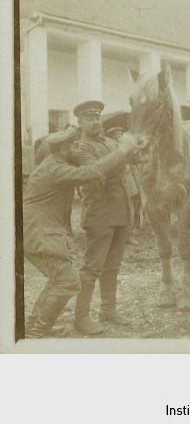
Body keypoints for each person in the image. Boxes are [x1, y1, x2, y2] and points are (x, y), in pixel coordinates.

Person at [23, 126, 141, 338]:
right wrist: (122, 150)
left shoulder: (57, 164)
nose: (79, 148)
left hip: (41, 232)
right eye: (75, 146)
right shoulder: (55, 169)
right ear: (63, 150)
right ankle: (36, 333)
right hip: (38, 234)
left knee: (59, 279)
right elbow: (91, 172)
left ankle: (35, 325)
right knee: (67, 281)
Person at [74, 100, 135, 335]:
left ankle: (108, 310)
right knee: (91, 268)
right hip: (99, 215)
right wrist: (123, 151)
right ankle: (81, 319)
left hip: (121, 212)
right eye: (90, 118)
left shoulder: (110, 142)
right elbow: (96, 171)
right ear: (79, 123)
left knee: (113, 267)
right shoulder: (81, 148)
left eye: (98, 117)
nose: (96, 122)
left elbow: (129, 161)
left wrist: (135, 146)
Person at [104, 123, 143, 246]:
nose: (118, 138)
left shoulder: (126, 148)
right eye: (115, 136)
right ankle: (118, 234)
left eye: (119, 135)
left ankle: (128, 234)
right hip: (115, 182)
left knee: (131, 207)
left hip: (128, 179)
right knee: (116, 208)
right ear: (110, 138)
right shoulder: (109, 149)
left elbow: (135, 161)